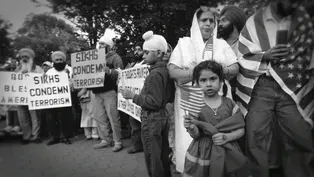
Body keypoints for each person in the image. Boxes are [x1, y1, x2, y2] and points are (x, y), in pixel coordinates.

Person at [236, 0, 314, 177]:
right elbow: (242, 55)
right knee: (256, 135)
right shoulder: (254, 23)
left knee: (299, 134)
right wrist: (265, 56)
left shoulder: (303, 22)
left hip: (294, 87)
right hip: (262, 85)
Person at [168, 7, 239, 172]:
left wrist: (220, 70)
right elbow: (173, 72)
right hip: (189, 101)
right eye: (203, 20)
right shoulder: (184, 43)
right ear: (196, 22)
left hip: (219, 103)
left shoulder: (221, 44)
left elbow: (235, 68)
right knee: (190, 137)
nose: (208, 24)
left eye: (211, 21)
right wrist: (196, 72)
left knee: (218, 139)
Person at [183, 60, 249, 177]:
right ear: (197, 84)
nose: (208, 84)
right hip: (202, 153)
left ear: (221, 81)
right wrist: (192, 127)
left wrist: (227, 137)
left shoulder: (230, 104)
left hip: (228, 149)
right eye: (203, 80)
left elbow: (241, 130)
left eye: (213, 79)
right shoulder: (195, 106)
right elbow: (196, 135)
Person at [122, 31, 174, 177]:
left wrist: (133, 96)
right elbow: (168, 97)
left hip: (152, 118)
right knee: (163, 152)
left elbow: (153, 102)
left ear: (158, 53)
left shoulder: (154, 74)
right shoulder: (164, 70)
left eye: (146, 52)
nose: (143, 56)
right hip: (163, 115)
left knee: (152, 156)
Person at [92, 34, 124, 152]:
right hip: (96, 91)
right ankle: (105, 139)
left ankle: (118, 141)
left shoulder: (115, 58)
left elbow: (121, 73)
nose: (100, 45)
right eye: (99, 43)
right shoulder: (94, 57)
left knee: (113, 117)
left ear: (109, 46)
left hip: (109, 91)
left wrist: (109, 71)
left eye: (103, 44)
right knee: (99, 117)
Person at [15, 48, 44, 144]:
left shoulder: (38, 69)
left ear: (31, 58)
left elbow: (42, 80)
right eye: (22, 57)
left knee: (35, 117)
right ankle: (26, 136)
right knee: (23, 117)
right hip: (21, 97)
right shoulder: (17, 70)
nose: (24, 59)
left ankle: (35, 136)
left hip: (33, 97)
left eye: (26, 57)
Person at [46, 51, 73, 145]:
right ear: (53, 61)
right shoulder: (49, 72)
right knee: (52, 119)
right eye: (57, 60)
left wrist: (68, 76)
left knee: (65, 118)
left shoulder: (69, 69)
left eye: (61, 59)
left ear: (64, 60)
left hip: (65, 98)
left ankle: (66, 137)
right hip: (52, 99)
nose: (59, 61)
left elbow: (73, 83)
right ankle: (55, 137)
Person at [124, 42, 145, 154]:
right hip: (132, 100)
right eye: (135, 50)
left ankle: (146, 146)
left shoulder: (146, 63)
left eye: (139, 49)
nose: (136, 52)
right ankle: (137, 145)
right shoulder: (132, 65)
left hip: (142, 98)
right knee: (134, 123)